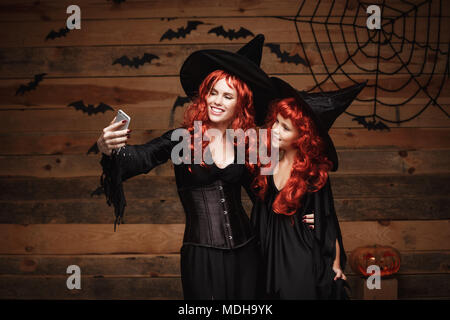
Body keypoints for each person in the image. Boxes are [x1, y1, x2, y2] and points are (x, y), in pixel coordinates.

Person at [97, 35, 278, 299]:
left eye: (227, 96)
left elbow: (266, 197)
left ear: (240, 104)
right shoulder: (181, 140)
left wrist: (306, 214)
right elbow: (140, 158)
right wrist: (109, 148)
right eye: (212, 92)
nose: (217, 101)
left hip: (247, 250)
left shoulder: (246, 145)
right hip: (201, 253)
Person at [250, 77, 366, 299]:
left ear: (302, 137)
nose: (275, 129)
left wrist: (336, 264)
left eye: (285, 128)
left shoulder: (313, 174)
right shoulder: (268, 162)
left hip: (299, 252)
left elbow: (328, 220)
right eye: (276, 122)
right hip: (268, 250)